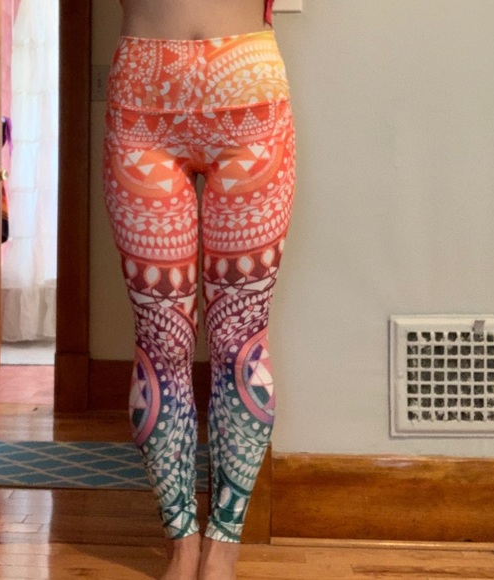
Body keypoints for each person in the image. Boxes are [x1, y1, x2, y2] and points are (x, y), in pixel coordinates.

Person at [102, 1, 295, 578]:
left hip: (250, 86)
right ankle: (181, 543)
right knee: (160, 343)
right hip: (141, 95)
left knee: (241, 341)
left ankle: (223, 546)